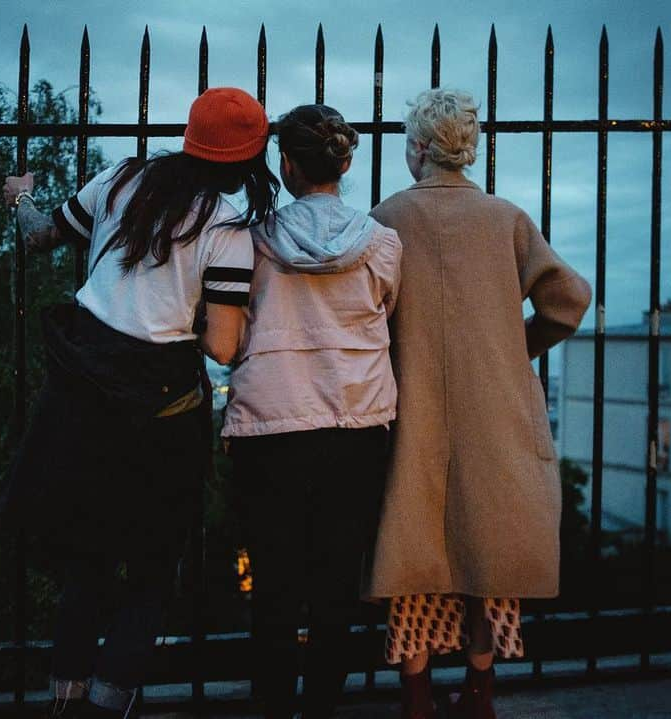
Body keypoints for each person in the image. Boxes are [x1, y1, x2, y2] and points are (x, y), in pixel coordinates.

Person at [0, 87, 278, 718]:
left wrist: (20, 196)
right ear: (247, 160)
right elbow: (223, 347)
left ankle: (64, 699)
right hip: (160, 414)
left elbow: (41, 237)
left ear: (189, 135)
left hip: (82, 393)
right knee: (152, 567)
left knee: (86, 558)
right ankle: (108, 703)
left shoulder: (122, 179)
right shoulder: (227, 229)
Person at [365, 88, 592, 719]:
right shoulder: (507, 219)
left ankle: (416, 699)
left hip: (411, 407)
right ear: (468, 149)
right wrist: (513, 347)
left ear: (417, 148)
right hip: (493, 406)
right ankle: (479, 695)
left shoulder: (386, 218)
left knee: (412, 565)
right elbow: (568, 299)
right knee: (487, 558)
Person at [223, 104, 402, 719]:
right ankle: (322, 706)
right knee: (336, 588)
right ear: (345, 163)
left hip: (270, 426)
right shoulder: (382, 245)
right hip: (355, 426)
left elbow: (231, 327)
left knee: (273, 584)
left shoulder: (254, 242)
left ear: (286, 163)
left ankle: (273, 705)